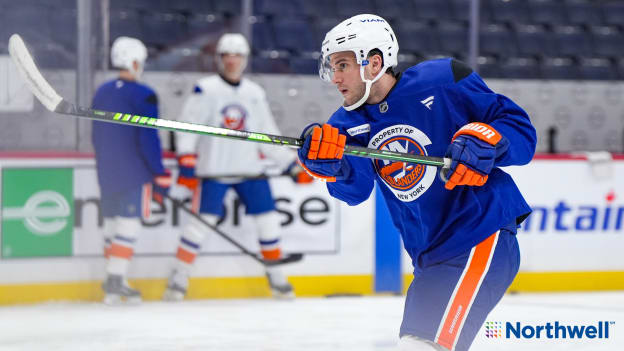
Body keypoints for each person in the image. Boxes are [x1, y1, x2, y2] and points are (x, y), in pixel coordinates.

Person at [297, 14, 536, 351]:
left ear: (374, 62)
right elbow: (354, 191)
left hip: (480, 233)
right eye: (332, 68)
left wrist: (488, 138)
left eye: (342, 65)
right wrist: (328, 164)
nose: (335, 78)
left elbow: (521, 132)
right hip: (431, 256)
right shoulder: (346, 124)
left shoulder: (444, 79)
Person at [163, 33, 311, 301]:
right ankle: (178, 278)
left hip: (250, 171)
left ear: (244, 59)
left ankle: (277, 278)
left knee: (269, 223)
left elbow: (267, 134)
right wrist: (186, 159)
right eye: (227, 55)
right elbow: (187, 127)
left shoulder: (254, 93)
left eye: (237, 55)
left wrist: (290, 165)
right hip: (214, 171)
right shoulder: (205, 89)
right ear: (219, 59)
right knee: (199, 226)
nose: (232, 60)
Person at [92, 36, 170, 305]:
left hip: (106, 169)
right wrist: (159, 172)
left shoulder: (101, 91)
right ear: (135, 62)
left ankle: (116, 282)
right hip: (134, 172)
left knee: (112, 223)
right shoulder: (143, 94)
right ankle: (115, 279)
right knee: (129, 223)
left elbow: (96, 135)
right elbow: (147, 138)